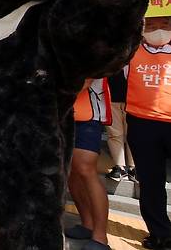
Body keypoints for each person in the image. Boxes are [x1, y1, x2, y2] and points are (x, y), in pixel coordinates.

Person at [125, 15, 171, 250]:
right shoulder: (129, 51)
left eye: (165, 24)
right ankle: (160, 234)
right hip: (142, 125)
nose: (159, 30)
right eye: (151, 25)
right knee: (151, 185)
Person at [65, 78, 112, 250]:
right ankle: (87, 224)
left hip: (87, 116)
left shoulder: (93, 51)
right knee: (71, 172)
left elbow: (85, 79)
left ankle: (100, 236)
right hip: (62, 114)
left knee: (86, 170)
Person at [105, 71, 136, 182]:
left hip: (134, 98)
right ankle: (120, 167)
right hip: (110, 96)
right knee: (114, 134)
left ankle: (133, 167)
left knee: (133, 134)